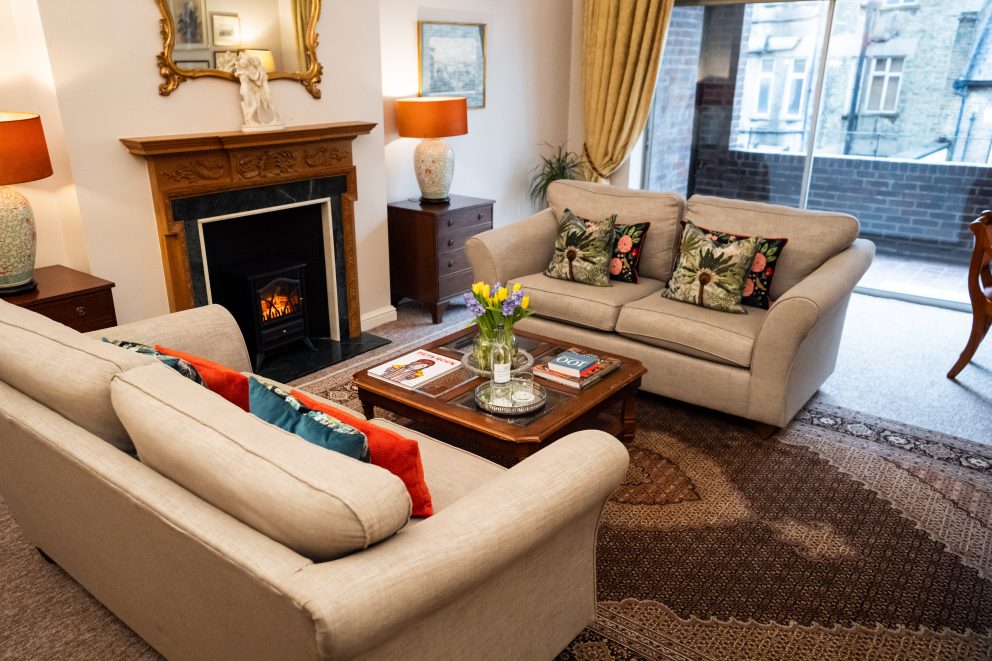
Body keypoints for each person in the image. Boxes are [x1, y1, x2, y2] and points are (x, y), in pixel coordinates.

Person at [234, 53, 282, 128]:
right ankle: (249, 119)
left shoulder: (257, 72)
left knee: (264, 104)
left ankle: (276, 117)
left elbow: (257, 81)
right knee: (254, 105)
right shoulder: (245, 72)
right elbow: (255, 79)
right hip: (246, 90)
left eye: (254, 63)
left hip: (261, 90)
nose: (253, 64)